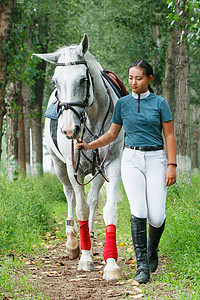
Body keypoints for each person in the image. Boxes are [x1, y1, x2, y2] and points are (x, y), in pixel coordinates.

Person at [75, 60, 177, 283]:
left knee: (157, 217)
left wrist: (172, 165)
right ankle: (142, 266)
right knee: (138, 210)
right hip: (131, 159)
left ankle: (151, 251)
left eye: (138, 78)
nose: (133, 82)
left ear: (149, 79)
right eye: (130, 78)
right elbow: (111, 135)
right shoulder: (122, 104)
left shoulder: (161, 103)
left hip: (156, 159)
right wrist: (89, 145)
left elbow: (169, 135)